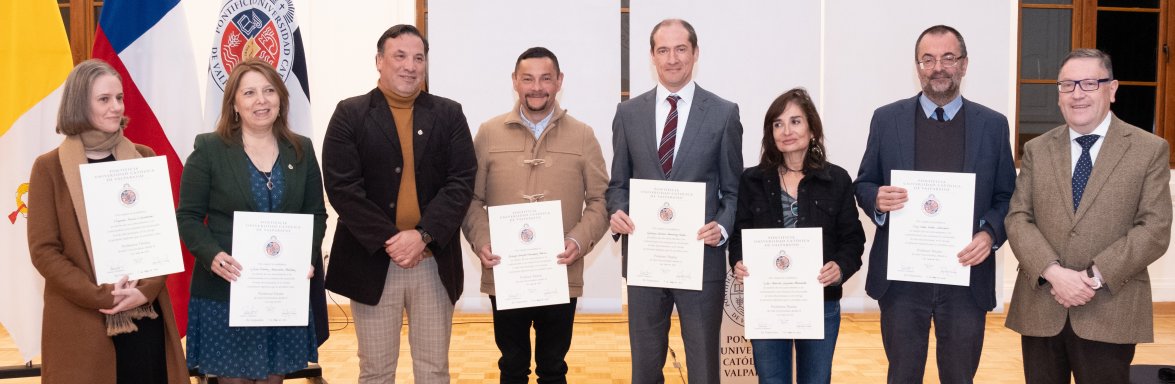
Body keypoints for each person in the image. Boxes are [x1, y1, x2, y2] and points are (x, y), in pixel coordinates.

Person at [853, 25, 1016, 383]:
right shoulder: (886, 119)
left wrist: (989, 234)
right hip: (902, 281)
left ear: (964, 64)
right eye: (928, 59)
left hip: (965, 279)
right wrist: (877, 199)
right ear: (917, 66)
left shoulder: (992, 125)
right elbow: (864, 182)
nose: (937, 67)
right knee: (902, 376)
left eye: (947, 58)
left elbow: (1008, 196)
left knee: (959, 377)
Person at [1005, 48, 1172, 384]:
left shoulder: (1149, 149)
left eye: (1089, 83)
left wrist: (1091, 278)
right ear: (1058, 95)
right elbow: (1018, 218)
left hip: (1110, 309)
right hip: (1041, 308)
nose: (1077, 93)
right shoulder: (1037, 149)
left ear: (1112, 89)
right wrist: (1055, 273)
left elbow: (1154, 229)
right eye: (1067, 85)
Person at [322, 24, 477, 384]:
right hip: (373, 261)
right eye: (400, 56)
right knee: (375, 371)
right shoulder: (350, 114)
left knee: (434, 370)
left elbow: (461, 181)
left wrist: (422, 235)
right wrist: (394, 240)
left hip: (432, 262)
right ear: (379, 61)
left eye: (418, 57)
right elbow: (343, 187)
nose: (410, 66)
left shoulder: (449, 114)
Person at [26, 58, 188, 383]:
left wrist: (145, 291)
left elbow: (161, 236)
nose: (116, 107)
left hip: (145, 313)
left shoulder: (144, 157)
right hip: (81, 316)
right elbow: (44, 251)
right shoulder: (49, 168)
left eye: (119, 98)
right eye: (104, 99)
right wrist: (102, 296)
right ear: (78, 104)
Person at [461, 47, 610, 384]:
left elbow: (601, 200)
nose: (536, 87)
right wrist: (482, 241)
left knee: (553, 366)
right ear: (515, 82)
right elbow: (470, 198)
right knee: (511, 365)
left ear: (559, 82)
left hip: (560, 271)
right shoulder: (488, 133)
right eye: (527, 78)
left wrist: (578, 239)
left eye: (545, 78)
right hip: (506, 271)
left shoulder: (583, 135)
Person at [606, 18, 743, 384]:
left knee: (703, 370)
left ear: (695, 53)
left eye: (680, 49)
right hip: (646, 264)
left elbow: (733, 190)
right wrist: (617, 211)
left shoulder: (724, 113)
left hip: (701, 260)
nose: (672, 58)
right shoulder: (628, 113)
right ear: (652, 56)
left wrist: (724, 226)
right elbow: (618, 183)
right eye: (663, 50)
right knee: (645, 370)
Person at [177, 58, 326, 384]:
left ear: (281, 99)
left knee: (274, 379)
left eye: (269, 91)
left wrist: (306, 256)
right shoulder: (209, 149)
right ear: (234, 104)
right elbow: (188, 217)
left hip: (280, 293)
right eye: (250, 93)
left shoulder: (301, 149)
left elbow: (316, 214)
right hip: (226, 292)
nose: (261, 100)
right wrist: (212, 256)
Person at [729, 88, 865, 384]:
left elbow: (853, 239)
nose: (786, 131)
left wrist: (840, 268)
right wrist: (738, 261)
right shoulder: (751, 180)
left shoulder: (837, 180)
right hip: (768, 302)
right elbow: (739, 235)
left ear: (812, 129)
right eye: (778, 124)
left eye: (795, 121)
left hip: (821, 302)